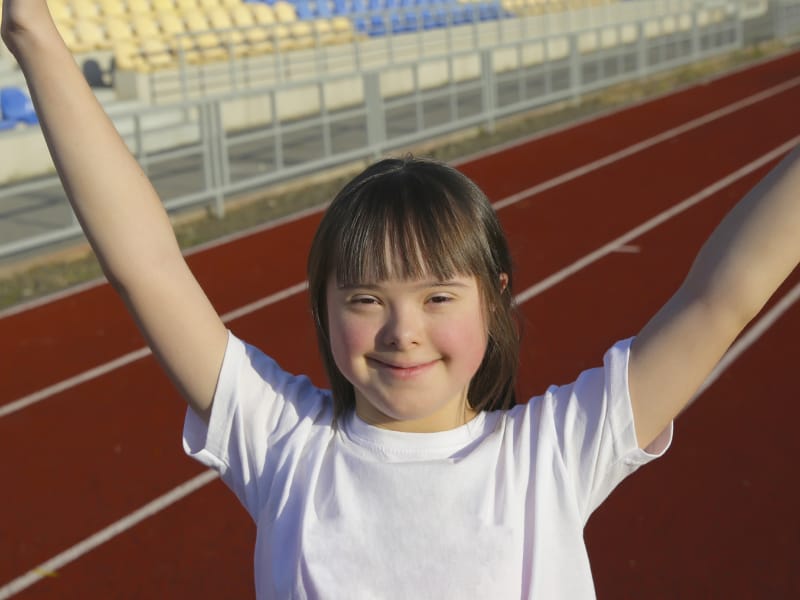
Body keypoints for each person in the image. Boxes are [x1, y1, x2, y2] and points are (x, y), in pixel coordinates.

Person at [3, 1, 799, 597]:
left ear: (494, 302)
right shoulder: (284, 445)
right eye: (366, 298)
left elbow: (719, 300)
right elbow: (145, 265)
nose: (401, 331)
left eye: (438, 296)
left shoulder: (553, 453)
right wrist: (31, 31)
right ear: (322, 310)